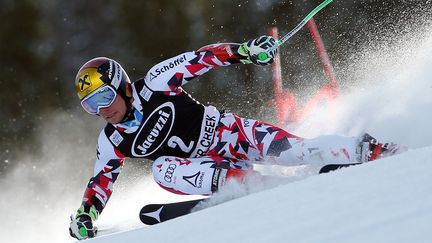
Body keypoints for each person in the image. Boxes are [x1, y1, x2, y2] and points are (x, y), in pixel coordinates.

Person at [69, 35, 401, 240]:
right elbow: (101, 181)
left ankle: (371, 151)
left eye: (103, 98)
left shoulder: (156, 82)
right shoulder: (111, 140)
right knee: (161, 170)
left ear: (123, 86)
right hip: (202, 167)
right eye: (90, 106)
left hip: (227, 134)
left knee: (296, 151)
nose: (101, 110)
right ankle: (245, 183)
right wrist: (87, 215)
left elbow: (203, 58)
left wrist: (245, 51)